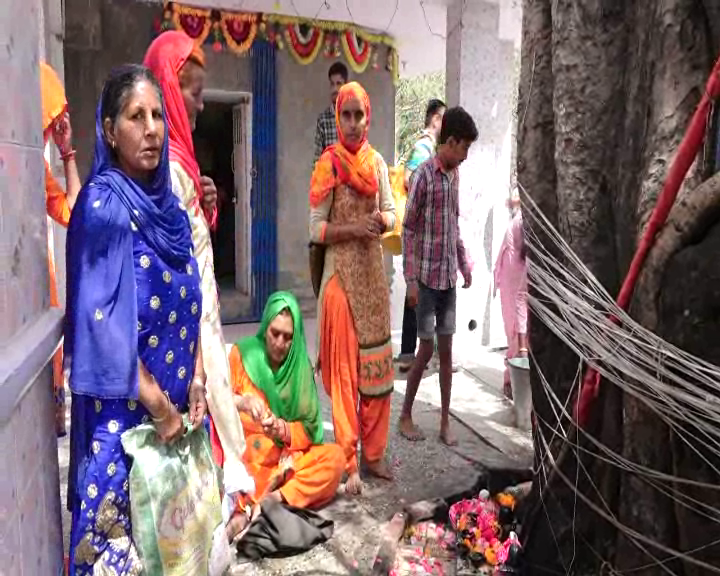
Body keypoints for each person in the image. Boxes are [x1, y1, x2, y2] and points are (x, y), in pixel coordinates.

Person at [64, 64, 208, 574]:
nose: (151, 128)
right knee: (118, 554)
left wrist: (195, 375)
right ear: (109, 130)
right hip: (126, 421)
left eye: (157, 116)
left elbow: (189, 293)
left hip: (174, 410)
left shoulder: (167, 205)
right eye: (135, 116)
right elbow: (101, 327)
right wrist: (160, 409)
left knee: (170, 548)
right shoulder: (103, 205)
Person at [144, 31, 255, 499]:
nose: (202, 105)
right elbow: (176, 255)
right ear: (170, 87)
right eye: (194, 92)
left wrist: (206, 201)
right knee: (203, 398)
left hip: (202, 307)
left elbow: (194, 232)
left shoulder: (180, 163)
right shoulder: (165, 168)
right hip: (189, 317)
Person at [309, 82, 396, 495]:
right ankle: (348, 461)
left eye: (358, 114)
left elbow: (394, 214)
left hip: (373, 280)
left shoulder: (377, 163)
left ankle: (374, 456)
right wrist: (351, 229)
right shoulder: (328, 165)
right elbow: (316, 229)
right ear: (337, 116)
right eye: (345, 114)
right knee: (344, 377)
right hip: (339, 281)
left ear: (367, 117)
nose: (352, 123)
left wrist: (382, 221)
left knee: (377, 371)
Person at [224, 292, 345, 540]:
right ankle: (248, 508)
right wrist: (243, 402)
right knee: (225, 471)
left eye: (288, 337)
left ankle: (274, 499)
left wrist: (282, 429)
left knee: (334, 458)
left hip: (284, 462)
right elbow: (218, 401)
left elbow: (310, 430)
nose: (279, 343)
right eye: (274, 333)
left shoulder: (299, 368)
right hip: (245, 459)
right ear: (265, 327)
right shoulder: (243, 355)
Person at [398, 107, 478, 446]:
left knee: (446, 351)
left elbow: (453, 224)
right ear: (451, 141)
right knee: (425, 348)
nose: (465, 156)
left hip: (448, 277)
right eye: (464, 149)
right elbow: (408, 229)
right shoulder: (423, 177)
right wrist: (411, 279)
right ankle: (405, 414)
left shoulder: (455, 176)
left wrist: (464, 263)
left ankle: (445, 422)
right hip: (427, 281)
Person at [40, 61, 82, 437]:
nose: (51, 129)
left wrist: (67, 153)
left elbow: (73, 211)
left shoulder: (37, 169)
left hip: (41, 296)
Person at [397, 99, 446, 374]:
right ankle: (407, 352)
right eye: (444, 120)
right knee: (415, 292)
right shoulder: (423, 147)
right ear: (436, 120)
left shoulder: (431, 149)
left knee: (426, 292)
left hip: (426, 232)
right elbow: (408, 178)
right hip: (419, 232)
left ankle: (419, 352)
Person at [493, 191, 528, 399]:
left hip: (517, 264)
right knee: (515, 329)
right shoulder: (524, 226)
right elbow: (521, 298)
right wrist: (523, 350)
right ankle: (511, 381)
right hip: (511, 270)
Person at [312, 61, 348, 167]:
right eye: (332, 84)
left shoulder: (354, 117)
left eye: (339, 83)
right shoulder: (323, 120)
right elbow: (317, 159)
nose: (335, 89)